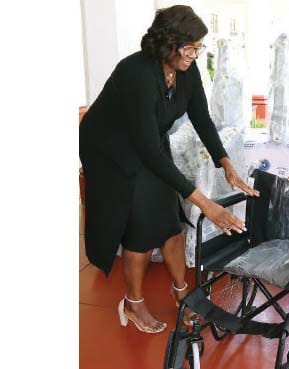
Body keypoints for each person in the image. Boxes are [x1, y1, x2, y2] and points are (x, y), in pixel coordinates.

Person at [79, 5, 258, 334]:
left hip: (147, 143)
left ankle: (183, 295)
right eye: (190, 47)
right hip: (110, 149)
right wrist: (206, 204)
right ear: (168, 42)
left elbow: (202, 119)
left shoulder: (187, 70)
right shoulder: (136, 73)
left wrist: (226, 163)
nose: (195, 54)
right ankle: (133, 304)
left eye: (198, 47)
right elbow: (146, 150)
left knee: (170, 219)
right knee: (141, 226)